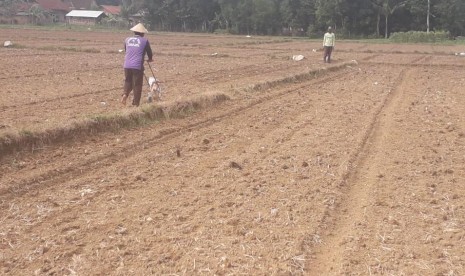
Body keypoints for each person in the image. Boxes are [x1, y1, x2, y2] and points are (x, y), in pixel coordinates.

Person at [121, 23, 153, 106]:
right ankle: (136, 103)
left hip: (127, 65)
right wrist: (150, 59)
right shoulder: (144, 40)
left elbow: (126, 50)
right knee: (137, 84)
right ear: (142, 33)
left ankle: (125, 94)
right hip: (137, 66)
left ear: (134, 32)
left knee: (128, 81)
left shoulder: (127, 39)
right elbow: (149, 52)